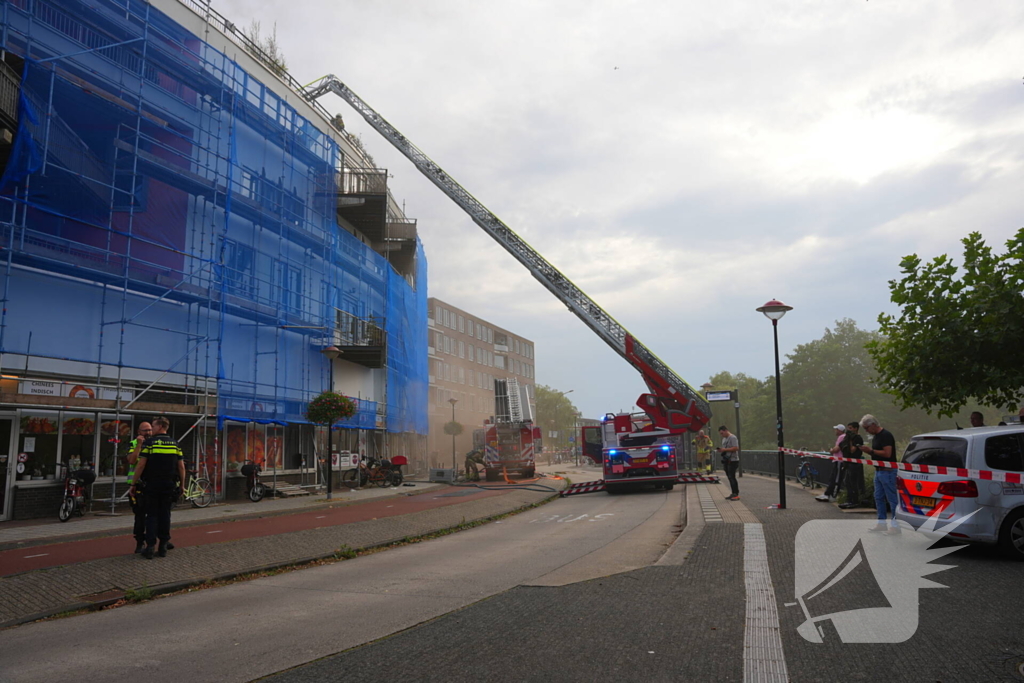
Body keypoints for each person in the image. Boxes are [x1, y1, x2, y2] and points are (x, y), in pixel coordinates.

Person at [129, 417, 185, 559]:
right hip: (169, 485)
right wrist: (182, 485)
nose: (151, 429)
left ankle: (150, 547)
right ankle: (163, 546)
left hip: (152, 485)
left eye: (153, 426)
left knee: (152, 516)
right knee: (165, 514)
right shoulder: (175, 444)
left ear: (160, 426)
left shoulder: (150, 443)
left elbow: (141, 465)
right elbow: (181, 466)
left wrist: (133, 484)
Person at [858, 414, 899, 535]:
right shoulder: (875, 437)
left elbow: (887, 453)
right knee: (878, 497)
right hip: (879, 470)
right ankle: (881, 523)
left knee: (892, 499)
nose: (866, 431)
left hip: (888, 471)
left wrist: (870, 451)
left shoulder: (885, 435)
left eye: (866, 428)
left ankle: (896, 526)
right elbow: (877, 454)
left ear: (873, 425)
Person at [125, 422, 153, 554]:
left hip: (151, 484)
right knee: (140, 516)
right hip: (137, 486)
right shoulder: (134, 444)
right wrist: (139, 445)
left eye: (149, 430)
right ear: (139, 432)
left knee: (154, 515)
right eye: (145, 430)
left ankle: (153, 541)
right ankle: (139, 542)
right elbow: (131, 460)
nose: (148, 433)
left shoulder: (154, 443)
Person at [816, 424, 848, 503]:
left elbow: (836, 449)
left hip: (839, 460)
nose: (835, 431)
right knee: (833, 478)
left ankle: (833, 495)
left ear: (840, 430)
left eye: (836, 429)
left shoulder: (842, 437)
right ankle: (828, 494)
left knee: (836, 478)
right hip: (837, 460)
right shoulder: (843, 436)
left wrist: (831, 450)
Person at [838, 422, 865, 509]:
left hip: (855, 463)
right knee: (847, 482)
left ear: (855, 428)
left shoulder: (857, 438)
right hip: (848, 462)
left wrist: (850, 441)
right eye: (848, 428)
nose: (849, 430)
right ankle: (849, 500)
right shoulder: (848, 437)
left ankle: (854, 501)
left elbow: (852, 450)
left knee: (853, 483)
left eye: (850, 428)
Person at [717, 425, 740, 500]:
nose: (721, 435)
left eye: (722, 433)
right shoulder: (724, 439)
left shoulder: (733, 437)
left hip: (733, 460)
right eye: (720, 434)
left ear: (726, 430)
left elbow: (736, 448)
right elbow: (725, 449)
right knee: (729, 477)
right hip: (726, 460)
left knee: (732, 477)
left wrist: (724, 450)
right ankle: (733, 493)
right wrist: (722, 450)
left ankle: (736, 493)